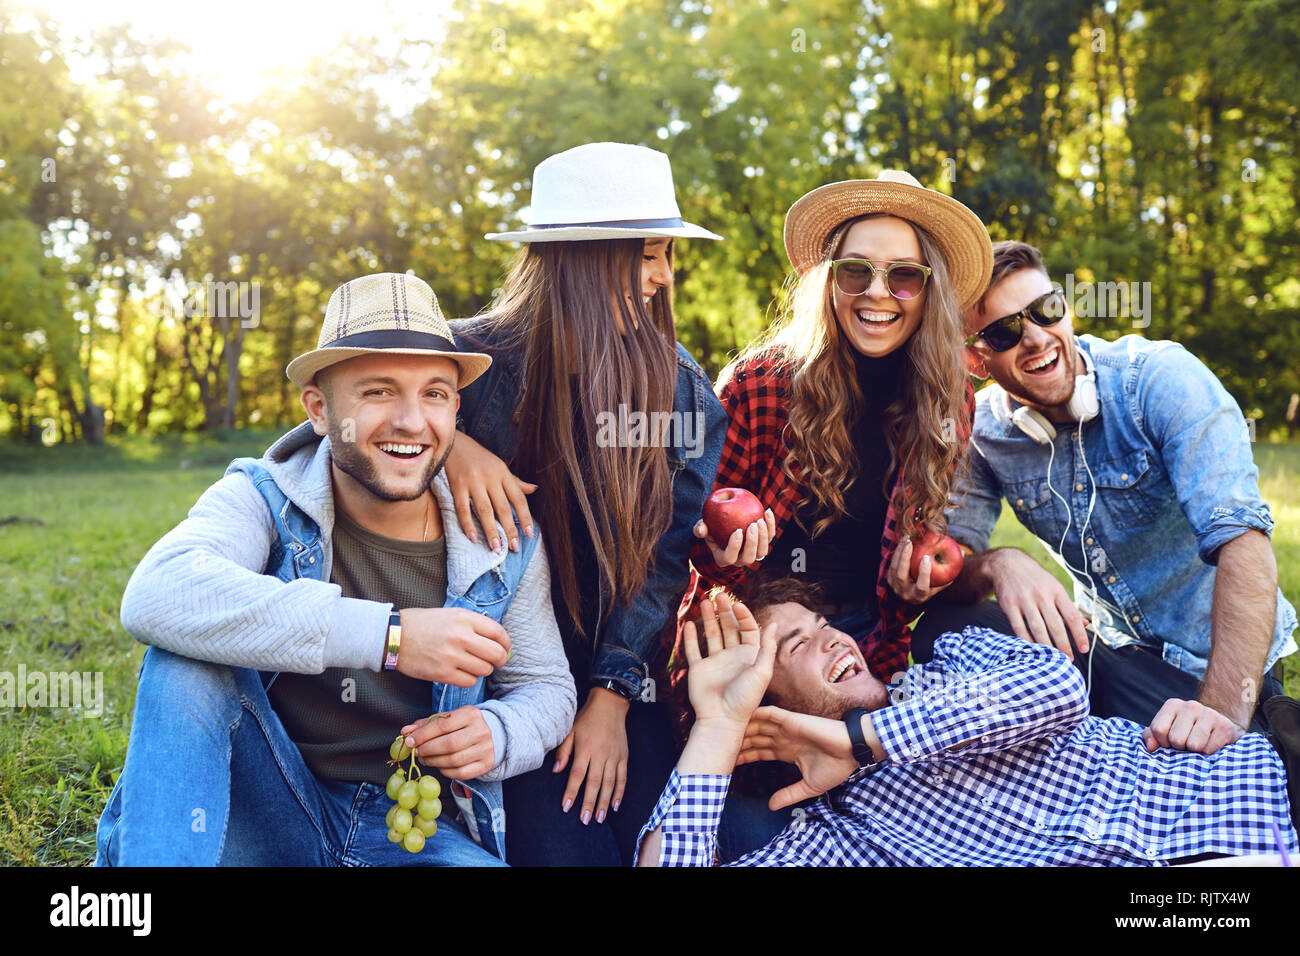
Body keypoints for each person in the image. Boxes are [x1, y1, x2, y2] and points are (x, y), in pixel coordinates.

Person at [95, 273, 575, 866]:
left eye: (434, 394)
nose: (410, 421)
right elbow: (159, 593)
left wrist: (499, 732)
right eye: (377, 392)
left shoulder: (503, 538)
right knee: (185, 663)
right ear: (320, 410)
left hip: (409, 831)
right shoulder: (264, 496)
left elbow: (547, 689)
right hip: (265, 804)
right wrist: (392, 636)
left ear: (456, 407)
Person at [677, 170, 993, 857]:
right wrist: (722, 555)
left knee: (913, 813)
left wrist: (914, 582)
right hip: (761, 647)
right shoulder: (761, 385)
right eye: (857, 272)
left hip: (868, 642)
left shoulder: (949, 400)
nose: (879, 294)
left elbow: (917, 533)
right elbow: (688, 543)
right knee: (753, 833)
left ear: (929, 288)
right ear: (830, 282)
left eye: (904, 276)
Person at [445, 142, 728, 865]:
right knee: (567, 853)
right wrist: (449, 442)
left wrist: (609, 700)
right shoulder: (460, 365)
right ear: (580, 258)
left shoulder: (682, 395)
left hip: (614, 665)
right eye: (648, 255)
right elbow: (342, 435)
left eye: (668, 256)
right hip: (493, 677)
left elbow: (662, 565)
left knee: (670, 841)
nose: (665, 278)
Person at [635, 578, 1299, 867]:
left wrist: (862, 741)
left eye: (824, 626)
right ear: (766, 708)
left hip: (1259, 785)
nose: (834, 641)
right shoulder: (842, 842)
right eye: (795, 648)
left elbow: (1056, 688)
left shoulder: (947, 663)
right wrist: (720, 722)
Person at [927, 239, 1297, 751]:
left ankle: (1244, 731)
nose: (1036, 337)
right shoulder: (984, 432)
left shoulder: (1161, 380)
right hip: (1106, 653)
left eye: (1045, 310)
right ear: (977, 359)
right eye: (1005, 332)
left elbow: (1244, 544)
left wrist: (1218, 712)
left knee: (1242, 766)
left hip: (1215, 668)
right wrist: (997, 563)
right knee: (944, 627)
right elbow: (950, 568)